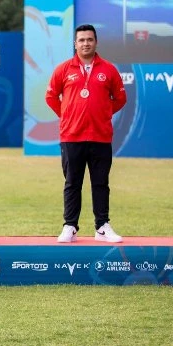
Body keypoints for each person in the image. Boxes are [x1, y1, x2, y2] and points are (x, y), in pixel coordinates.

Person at [45, 24, 127, 243]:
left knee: (100, 183)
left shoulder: (109, 69)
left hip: (100, 136)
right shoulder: (63, 69)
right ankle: (70, 226)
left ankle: (102, 227)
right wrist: (68, 114)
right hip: (72, 136)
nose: (85, 43)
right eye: (81, 40)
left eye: (89, 39)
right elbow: (51, 97)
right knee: (72, 183)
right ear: (75, 43)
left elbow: (120, 98)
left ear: (96, 42)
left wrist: (103, 113)